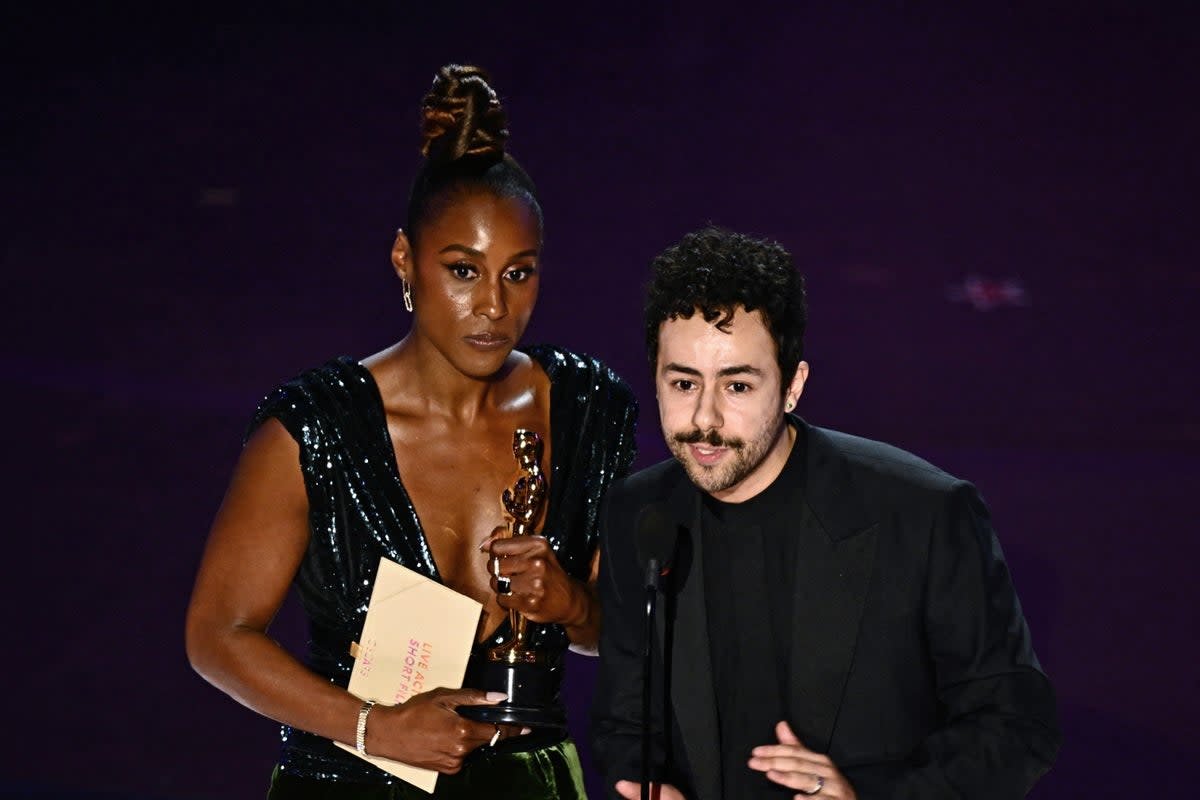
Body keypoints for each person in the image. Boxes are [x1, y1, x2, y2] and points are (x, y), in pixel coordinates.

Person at [186, 64, 637, 799]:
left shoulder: (587, 409)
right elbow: (215, 636)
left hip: (531, 784)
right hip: (348, 780)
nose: (493, 305)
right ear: (406, 261)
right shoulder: (315, 429)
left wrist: (575, 606)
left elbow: (622, 636)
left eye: (518, 274)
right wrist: (374, 726)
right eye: (464, 271)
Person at [590, 227, 1059, 799]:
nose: (704, 419)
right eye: (684, 383)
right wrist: (646, 787)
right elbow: (624, 720)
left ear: (792, 387)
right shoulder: (637, 514)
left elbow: (1016, 726)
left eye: (737, 385)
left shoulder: (924, 512)